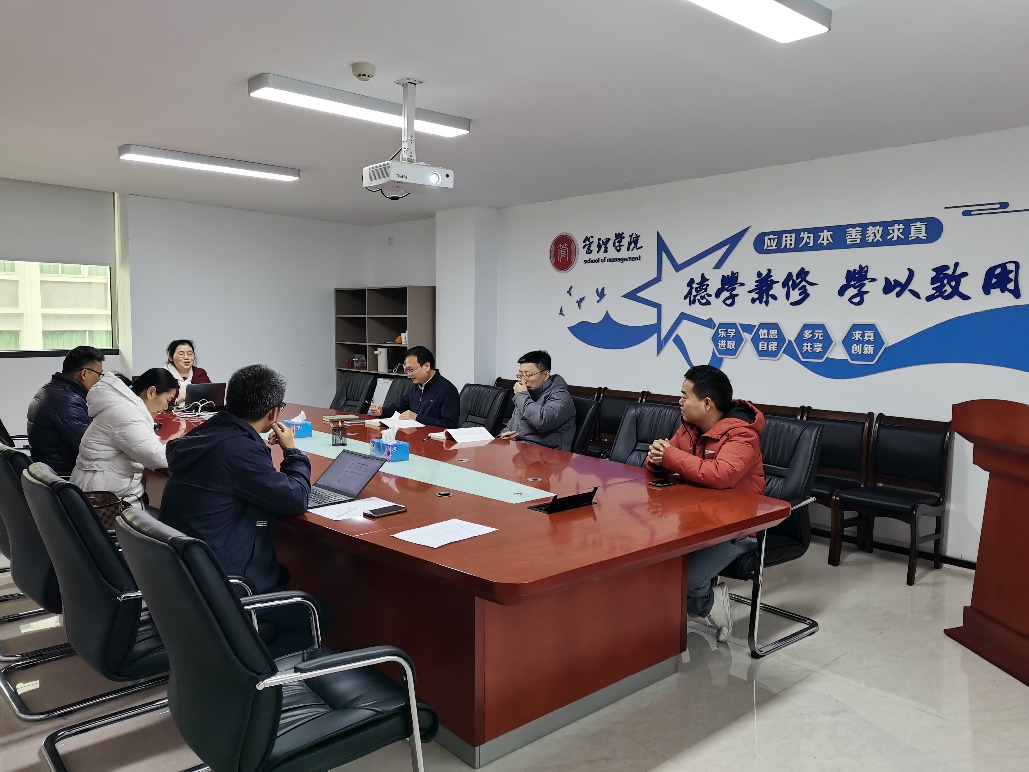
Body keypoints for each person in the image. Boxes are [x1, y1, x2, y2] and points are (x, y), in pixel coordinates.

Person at [159, 364, 323, 656]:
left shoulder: (208, 433)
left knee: (284, 574)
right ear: (273, 413)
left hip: (189, 577)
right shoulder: (239, 451)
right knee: (320, 613)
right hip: (226, 585)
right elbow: (296, 498)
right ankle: (253, 671)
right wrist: (292, 452)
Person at [646, 365, 765, 643]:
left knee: (686, 580)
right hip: (694, 519)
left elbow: (721, 474)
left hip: (736, 527)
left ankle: (711, 602)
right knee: (652, 565)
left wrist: (670, 456)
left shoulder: (743, 435)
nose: (680, 401)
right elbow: (668, 460)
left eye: (685, 396)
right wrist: (656, 460)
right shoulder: (689, 429)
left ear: (707, 403)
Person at [71, 368, 181, 507]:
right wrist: (185, 446)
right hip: (102, 499)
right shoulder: (126, 413)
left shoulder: (125, 408)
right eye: (167, 400)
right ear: (151, 392)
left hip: (103, 488)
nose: (166, 407)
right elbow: (157, 457)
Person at [26, 346, 106, 476]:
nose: (99, 381)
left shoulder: (52, 390)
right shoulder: (67, 400)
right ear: (84, 373)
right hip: (65, 475)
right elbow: (91, 447)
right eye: (99, 375)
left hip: (51, 469)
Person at [498, 350, 576, 451]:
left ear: (546, 375)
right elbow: (512, 424)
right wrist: (504, 435)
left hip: (548, 454)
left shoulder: (562, 397)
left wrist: (521, 395)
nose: (523, 380)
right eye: (520, 375)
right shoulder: (526, 394)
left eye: (528, 375)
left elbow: (542, 422)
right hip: (520, 450)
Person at [368, 345, 460, 429]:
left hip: (434, 439)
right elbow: (399, 406)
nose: (409, 375)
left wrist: (417, 418)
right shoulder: (417, 386)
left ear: (427, 366)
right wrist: (382, 411)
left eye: (411, 370)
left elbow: (450, 425)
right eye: (407, 371)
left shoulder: (447, 390)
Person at [165, 339, 212, 405]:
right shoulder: (163, 375)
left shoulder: (200, 373)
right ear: (171, 357)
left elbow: (211, 396)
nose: (186, 357)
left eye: (190, 354)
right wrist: (177, 401)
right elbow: (157, 402)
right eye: (181, 354)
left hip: (197, 411)